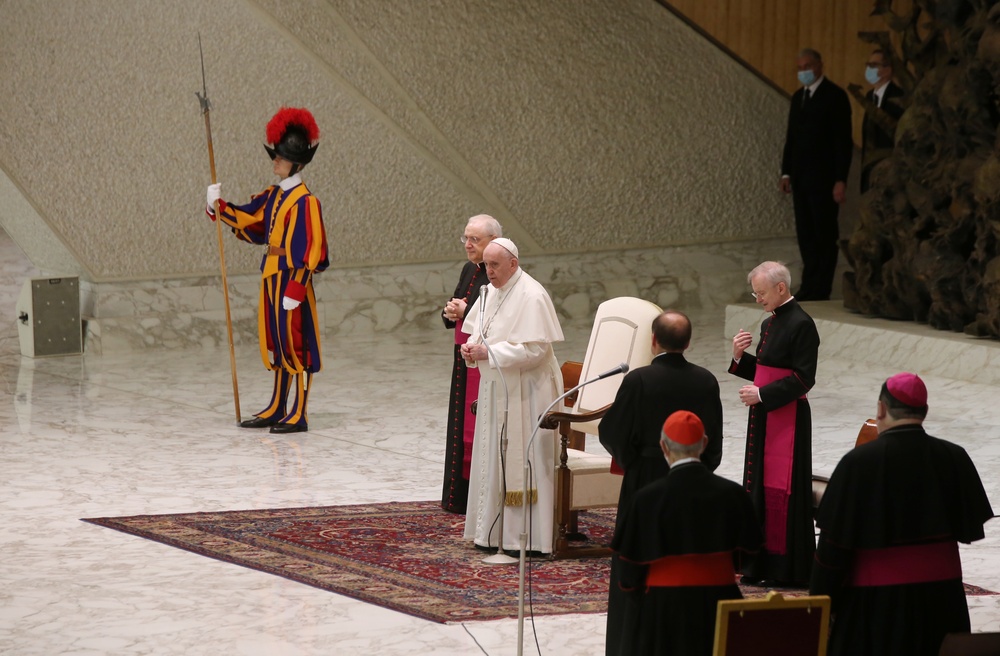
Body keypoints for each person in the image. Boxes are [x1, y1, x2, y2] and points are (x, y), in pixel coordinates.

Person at [810, 373, 994, 656]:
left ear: (881, 409)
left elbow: (833, 549)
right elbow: (969, 529)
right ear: (925, 412)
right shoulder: (954, 456)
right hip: (943, 602)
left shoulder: (858, 463)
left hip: (877, 605)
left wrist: (821, 603)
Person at [599, 310, 724, 656]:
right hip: (694, 481)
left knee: (638, 557)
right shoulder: (706, 380)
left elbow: (613, 431)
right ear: (688, 342)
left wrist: (633, 461)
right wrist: (702, 468)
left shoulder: (639, 380)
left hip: (645, 479)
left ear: (653, 341)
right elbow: (714, 435)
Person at [206, 107, 329, 434]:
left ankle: (298, 412)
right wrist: (218, 207)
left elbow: (311, 251)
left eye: (281, 156)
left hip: (292, 282)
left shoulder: (306, 202)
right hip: (272, 277)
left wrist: (297, 289)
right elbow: (252, 221)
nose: (275, 160)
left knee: (298, 347)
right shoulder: (275, 195)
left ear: (297, 163)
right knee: (278, 344)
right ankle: (277, 406)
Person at [610, 411, 762, 656]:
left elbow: (629, 570)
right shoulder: (733, 494)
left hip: (663, 606)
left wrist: (645, 602)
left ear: (663, 447)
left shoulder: (646, 499)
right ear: (704, 444)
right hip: (721, 601)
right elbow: (750, 554)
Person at [460, 238, 564, 553]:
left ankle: (530, 539)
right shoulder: (488, 292)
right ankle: (492, 535)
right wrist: (471, 349)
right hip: (498, 387)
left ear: (513, 264)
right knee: (493, 457)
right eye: (485, 265)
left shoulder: (532, 295)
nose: (487, 272)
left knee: (526, 458)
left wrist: (487, 353)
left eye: (494, 265)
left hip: (528, 391)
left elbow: (535, 349)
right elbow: (480, 331)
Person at [730, 261, 818, 586]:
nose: (757, 299)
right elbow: (766, 370)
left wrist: (762, 395)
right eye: (755, 293)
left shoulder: (802, 324)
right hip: (765, 413)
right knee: (758, 487)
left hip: (787, 418)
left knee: (781, 492)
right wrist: (739, 357)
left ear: (781, 288)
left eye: (761, 293)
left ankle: (784, 569)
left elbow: (804, 378)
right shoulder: (769, 325)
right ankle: (758, 565)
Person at [780, 48, 853, 301]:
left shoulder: (835, 96)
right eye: (800, 68)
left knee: (824, 235)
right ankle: (809, 284)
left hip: (824, 181)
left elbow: (842, 142)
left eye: (808, 66)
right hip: (800, 180)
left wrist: (840, 178)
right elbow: (792, 139)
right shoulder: (798, 97)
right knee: (806, 235)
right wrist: (786, 172)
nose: (804, 72)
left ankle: (822, 286)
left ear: (820, 65)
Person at [440, 214, 501, 513]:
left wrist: (467, 310)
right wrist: (452, 311)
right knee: (459, 425)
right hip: (462, 359)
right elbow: (459, 301)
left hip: (483, 358)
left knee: (475, 427)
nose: (468, 244)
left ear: (493, 242)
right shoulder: (469, 269)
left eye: (475, 239)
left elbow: (499, 312)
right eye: (466, 238)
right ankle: (456, 499)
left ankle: (475, 501)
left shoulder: (500, 271)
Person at [855, 49, 906, 193]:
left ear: (887, 69)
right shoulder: (870, 96)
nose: (868, 69)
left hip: (890, 173)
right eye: (868, 64)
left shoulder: (898, 98)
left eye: (873, 65)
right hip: (869, 173)